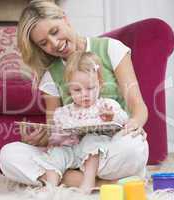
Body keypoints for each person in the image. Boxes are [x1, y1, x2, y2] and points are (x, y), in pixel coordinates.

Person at [0, 0, 148, 188]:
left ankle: (70, 179)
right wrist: (40, 137)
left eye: (54, 32)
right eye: (44, 43)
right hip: (74, 152)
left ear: (64, 19)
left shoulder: (111, 48)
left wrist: (134, 123)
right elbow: (54, 129)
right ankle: (106, 183)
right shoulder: (50, 75)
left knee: (133, 149)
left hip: (111, 147)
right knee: (9, 154)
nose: (54, 44)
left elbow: (138, 106)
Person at [37, 51, 130, 193]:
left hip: (97, 154)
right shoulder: (66, 111)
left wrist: (111, 117)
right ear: (69, 89)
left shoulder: (106, 105)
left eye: (90, 88)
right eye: (77, 90)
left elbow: (124, 119)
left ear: (100, 84)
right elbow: (57, 132)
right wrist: (56, 137)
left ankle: (88, 181)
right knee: (56, 153)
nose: (84, 94)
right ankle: (51, 186)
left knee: (91, 140)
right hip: (72, 150)